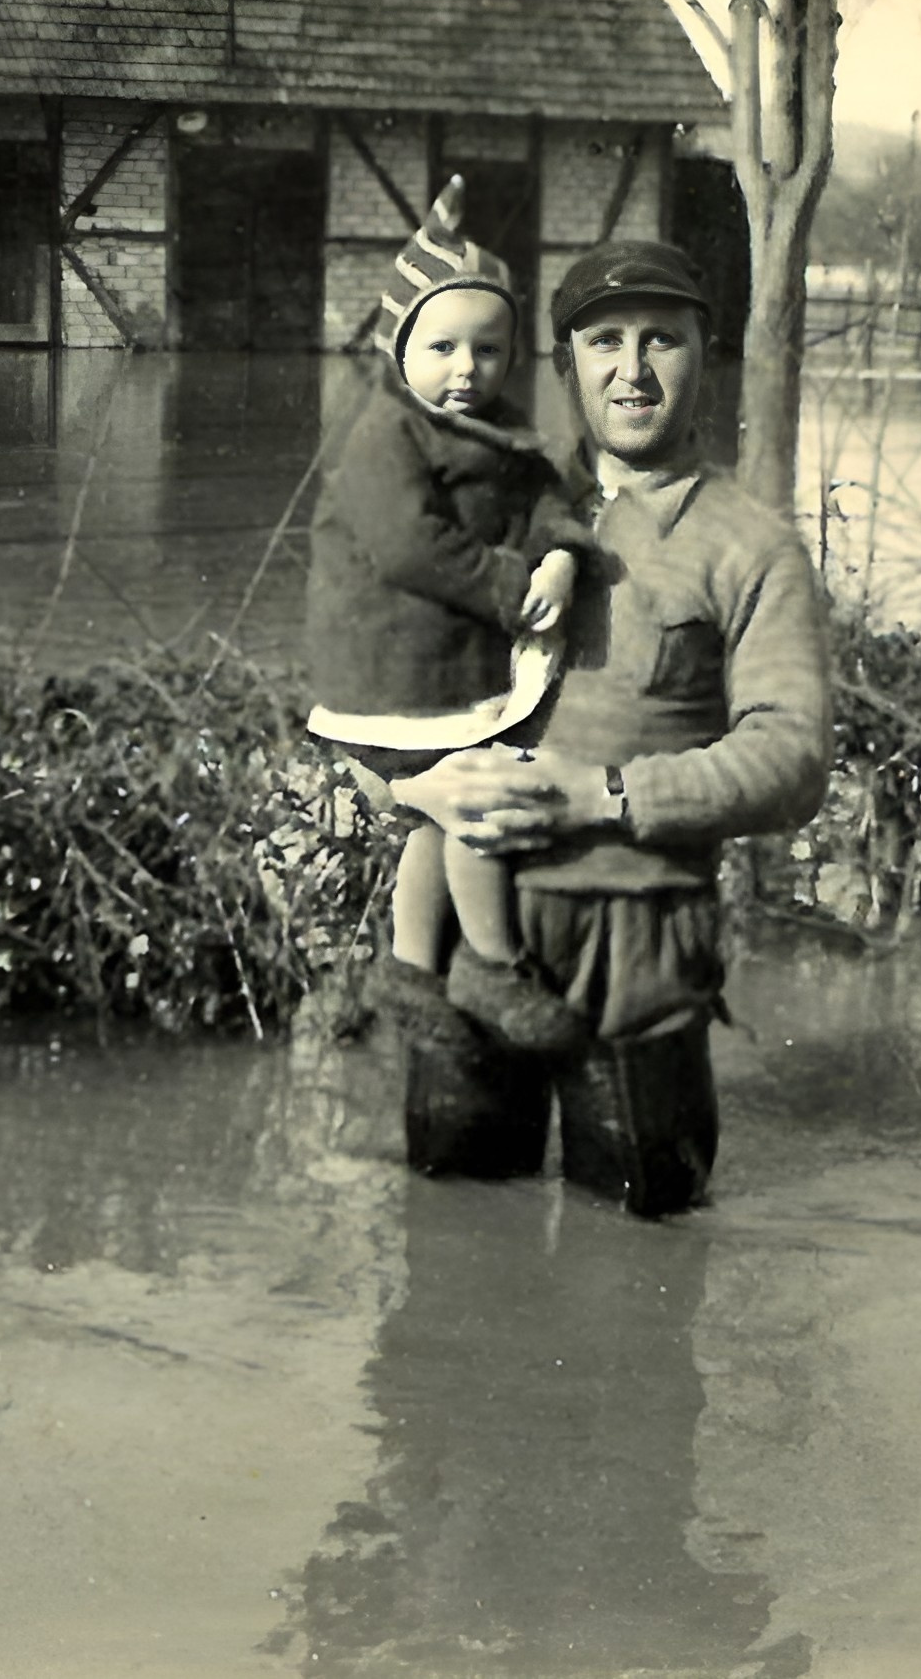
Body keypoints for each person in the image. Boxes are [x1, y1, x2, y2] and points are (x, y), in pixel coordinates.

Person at [389, 241, 834, 1217]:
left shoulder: (752, 547)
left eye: (660, 340)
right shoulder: (477, 506)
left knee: (644, 1239)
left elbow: (794, 759)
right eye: (604, 342)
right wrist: (413, 786)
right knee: (452, 1230)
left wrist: (605, 795)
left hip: (639, 950)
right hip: (474, 935)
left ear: (705, 357)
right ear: (564, 365)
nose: (632, 370)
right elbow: (362, 693)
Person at [303, 177, 596, 1052]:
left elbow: (545, 494)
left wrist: (560, 554)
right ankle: (494, 967)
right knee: (475, 802)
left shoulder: (496, 427)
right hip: (390, 677)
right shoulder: (384, 433)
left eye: (488, 350)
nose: (466, 369)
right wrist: (510, 587)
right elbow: (410, 547)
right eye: (442, 347)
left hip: (442, 674)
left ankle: (409, 968)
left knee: (443, 816)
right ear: (399, 348)